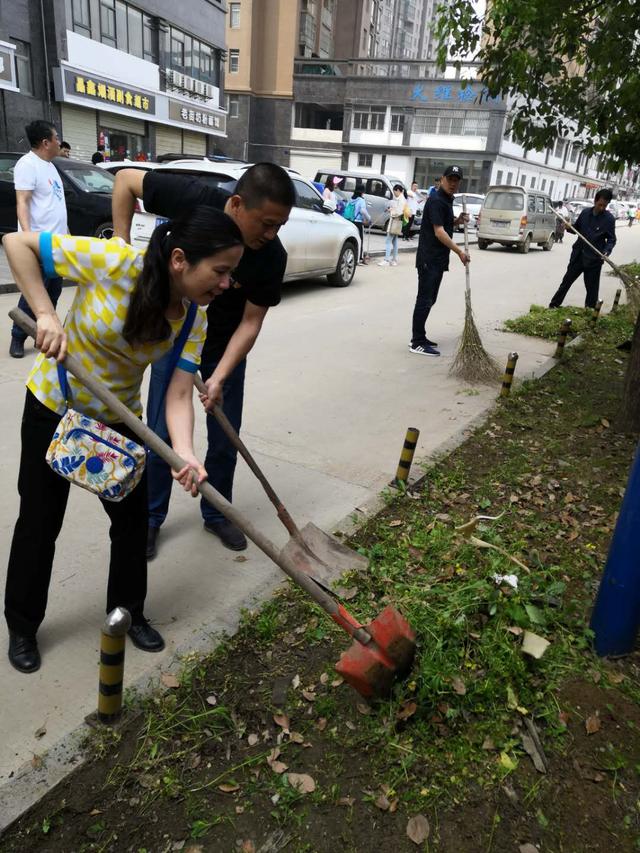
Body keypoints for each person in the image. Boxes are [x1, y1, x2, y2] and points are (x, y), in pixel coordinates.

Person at [3, 206, 244, 673]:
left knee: (132, 525)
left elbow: (177, 394)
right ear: (179, 259)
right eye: (220, 271)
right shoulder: (114, 262)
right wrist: (47, 314)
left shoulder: (193, 320)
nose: (226, 284)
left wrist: (185, 454)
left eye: (230, 273)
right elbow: (17, 243)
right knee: (39, 521)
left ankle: (127, 613)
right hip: (56, 406)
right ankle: (23, 626)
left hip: (118, 423)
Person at [112, 163, 294, 557]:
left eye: (279, 225)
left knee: (226, 435)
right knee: (163, 433)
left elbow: (251, 322)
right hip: (174, 335)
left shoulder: (270, 256)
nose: (271, 234)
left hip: (225, 346)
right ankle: (151, 517)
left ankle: (216, 513)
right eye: (266, 223)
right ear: (236, 203)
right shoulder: (196, 199)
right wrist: (121, 248)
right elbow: (126, 180)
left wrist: (219, 377)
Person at [9, 120, 67, 359]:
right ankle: (18, 337)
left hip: (56, 243)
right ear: (46, 142)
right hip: (39, 244)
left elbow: (55, 204)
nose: (59, 142)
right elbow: (22, 201)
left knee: (53, 292)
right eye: (56, 137)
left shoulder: (50, 165)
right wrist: (28, 237)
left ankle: (42, 333)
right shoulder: (28, 164)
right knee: (35, 293)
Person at [410, 165, 470, 357]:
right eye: (450, 179)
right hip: (430, 258)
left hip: (437, 259)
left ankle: (421, 335)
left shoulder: (445, 199)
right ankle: (417, 341)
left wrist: (457, 221)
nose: (453, 183)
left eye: (456, 180)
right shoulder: (436, 199)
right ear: (442, 179)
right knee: (425, 299)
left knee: (430, 298)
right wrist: (459, 251)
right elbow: (439, 231)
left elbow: (443, 223)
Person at [548, 188, 616, 309]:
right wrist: (568, 227)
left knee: (592, 291)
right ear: (595, 201)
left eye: (604, 206)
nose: (601, 208)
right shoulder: (585, 213)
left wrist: (606, 251)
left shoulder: (609, 219)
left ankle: (589, 313)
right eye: (600, 204)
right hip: (578, 256)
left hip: (594, 259)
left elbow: (611, 239)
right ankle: (553, 306)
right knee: (566, 283)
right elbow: (577, 229)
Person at [378, 184, 405, 267]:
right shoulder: (401, 199)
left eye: (394, 192)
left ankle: (387, 260)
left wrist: (391, 210)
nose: (394, 194)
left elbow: (398, 212)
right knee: (394, 241)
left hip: (395, 221)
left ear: (398, 190)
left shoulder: (401, 200)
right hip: (397, 222)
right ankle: (394, 260)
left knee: (388, 241)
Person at [351, 189, 371, 263]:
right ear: (362, 192)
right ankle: (359, 258)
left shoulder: (352, 199)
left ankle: (353, 257)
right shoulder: (361, 200)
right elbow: (363, 211)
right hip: (358, 222)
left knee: (353, 240)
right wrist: (369, 218)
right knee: (360, 240)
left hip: (351, 221)